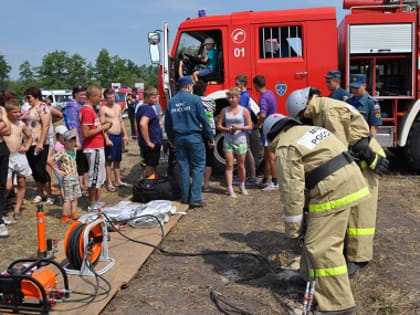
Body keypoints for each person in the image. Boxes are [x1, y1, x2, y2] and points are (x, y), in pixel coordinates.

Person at [263, 114, 369, 315]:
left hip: (333, 189)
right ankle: (308, 276)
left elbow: (292, 193)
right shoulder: (307, 131)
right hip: (350, 181)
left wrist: (293, 229)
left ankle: (339, 305)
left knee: (320, 247)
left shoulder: (285, 147)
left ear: (270, 136)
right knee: (316, 234)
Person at [286, 87, 389, 276]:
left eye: (302, 115)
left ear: (304, 105)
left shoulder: (327, 111)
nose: (304, 120)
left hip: (365, 160)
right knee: (351, 205)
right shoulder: (322, 110)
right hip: (356, 158)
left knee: (361, 209)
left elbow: (337, 150)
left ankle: (359, 258)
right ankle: (346, 249)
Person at [164, 76, 214, 208]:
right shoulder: (195, 99)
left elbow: (167, 124)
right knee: (198, 166)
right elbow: (204, 120)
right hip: (194, 137)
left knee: (184, 167)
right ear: (188, 86)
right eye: (191, 85)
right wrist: (210, 138)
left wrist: (171, 140)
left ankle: (185, 197)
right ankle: (196, 198)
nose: (192, 87)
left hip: (179, 138)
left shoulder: (171, 102)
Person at [80, 86, 113, 211]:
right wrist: (103, 127)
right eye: (99, 96)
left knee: (98, 176)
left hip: (97, 146)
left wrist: (103, 126)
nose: (101, 99)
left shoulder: (91, 110)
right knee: (94, 177)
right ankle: (92, 202)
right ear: (92, 97)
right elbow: (87, 133)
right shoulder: (87, 111)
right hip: (93, 147)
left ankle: (96, 201)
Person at [217, 87, 252, 198]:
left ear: (238, 98)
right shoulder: (224, 110)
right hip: (228, 140)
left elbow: (250, 126)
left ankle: (242, 185)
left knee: (241, 165)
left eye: (234, 97)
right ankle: (230, 188)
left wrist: (239, 128)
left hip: (240, 140)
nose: (231, 99)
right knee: (229, 164)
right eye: (230, 97)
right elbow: (219, 125)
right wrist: (227, 130)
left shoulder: (244, 110)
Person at [22, 87, 54, 205]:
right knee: (35, 170)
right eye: (26, 97)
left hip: (40, 144)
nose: (27, 99)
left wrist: (41, 142)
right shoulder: (30, 109)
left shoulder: (43, 107)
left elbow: (45, 126)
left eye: (29, 97)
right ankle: (40, 193)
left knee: (41, 169)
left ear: (36, 96)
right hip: (30, 143)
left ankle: (49, 194)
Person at [4, 99, 32, 221]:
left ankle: (17, 208)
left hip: (19, 156)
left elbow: (30, 137)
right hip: (7, 157)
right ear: (7, 112)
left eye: (19, 111)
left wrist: (26, 147)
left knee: (22, 182)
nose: (18, 114)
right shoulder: (4, 124)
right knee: (7, 186)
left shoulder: (21, 124)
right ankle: (3, 205)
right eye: (15, 112)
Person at [100, 88, 129, 191]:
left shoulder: (118, 107)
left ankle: (118, 180)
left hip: (118, 136)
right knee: (109, 161)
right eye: (109, 98)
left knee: (117, 160)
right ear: (105, 98)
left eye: (112, 97)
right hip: (110, 136)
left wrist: (125, 135)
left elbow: (121, 121)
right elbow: (102, 125)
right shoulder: (103, 109)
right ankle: (109, 182)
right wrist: (106, 139)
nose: (111, 99)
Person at [253, 75, 278, 190]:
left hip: (267, 128)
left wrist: (257, 125)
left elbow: (262, 114)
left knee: (270, 155)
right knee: (268, 155)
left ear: (256, 85)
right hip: (273, 125)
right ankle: (265, 179)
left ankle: (275, 181)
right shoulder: (271, 93)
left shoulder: (263, 98)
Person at [63, 85, 89, 194]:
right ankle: (80, 187)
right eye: (81, 94)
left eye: (85, 94)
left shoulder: (81, 105)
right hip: (76, 139)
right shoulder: (72, 106)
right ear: (75, 94)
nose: (84, 96)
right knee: (78, 165)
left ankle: (85, 186)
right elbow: (72, 124)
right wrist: (77, 140)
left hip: (84, 138)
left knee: (84, 164)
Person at [52, 131, 81, 223]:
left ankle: (74, 213)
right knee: (68, 199)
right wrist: (57, 170)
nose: (72, 143)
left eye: (74, 141)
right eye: (70, 141)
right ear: (64, 141)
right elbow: (50, 160)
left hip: (75, 178)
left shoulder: (74, 150)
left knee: (75, 197)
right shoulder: (62, 152)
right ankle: (65, 216)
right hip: (67, 179)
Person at [193, 80, 216, 192]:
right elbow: (213, 111)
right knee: (209, 158)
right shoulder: (211, 101)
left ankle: (196, 184)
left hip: (197, 131)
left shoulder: (193, 101)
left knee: (197, 158)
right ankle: (206, 185)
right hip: (210, 131)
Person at [136, 86, 163, 178]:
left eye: (157, 96)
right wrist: (148, 142)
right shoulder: (148, 109)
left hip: (151, 142)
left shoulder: (141, 108)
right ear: (146, 98)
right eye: (153, 97)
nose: (156, 99)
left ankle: (152, 183)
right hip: (151, 143)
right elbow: (143, 124)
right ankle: (148, 186)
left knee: (151, 164)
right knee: (150, 165)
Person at [235, 74, 257, 186]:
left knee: (246, 151)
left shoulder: (243, 96)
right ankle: (249, 175)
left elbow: (241, 111)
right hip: (243, 127)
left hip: (243, 127)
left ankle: (251, 176)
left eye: (237, 83)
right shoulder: (245, 95)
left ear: (242, 84)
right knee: (246, 151)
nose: (235, 85)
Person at [0, 93, 11, 237]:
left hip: (2, 149)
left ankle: (1, 216)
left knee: (2, 186)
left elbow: (7, 130)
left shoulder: (1, 110)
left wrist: (3, 117)